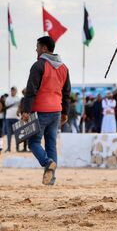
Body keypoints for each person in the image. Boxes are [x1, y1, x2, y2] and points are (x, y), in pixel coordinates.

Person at [21, 36, 71, 185]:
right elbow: (67, 93)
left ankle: (46, 162)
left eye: (37, 46)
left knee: (33, 142)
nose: (36, 49)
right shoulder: (64, 68)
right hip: (56, 111)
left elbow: (31, 90)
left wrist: (26, 110)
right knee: (51, 144)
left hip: (40, 111)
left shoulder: (38, 65)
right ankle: (51, 179)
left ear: (44, 48)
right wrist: (65, 113)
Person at [4, 87, 22, 151]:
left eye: (14, 91)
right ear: (11, 91)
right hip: (8, 117)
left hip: (16, 118)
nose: (13, 92)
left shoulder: (18, 98)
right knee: (9, 134)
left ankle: (18, 148)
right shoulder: (7, 99)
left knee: (17, 133)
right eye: (12, 91)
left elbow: (20, 107)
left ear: (16, 91)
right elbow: (5, 106)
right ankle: (9, 148)